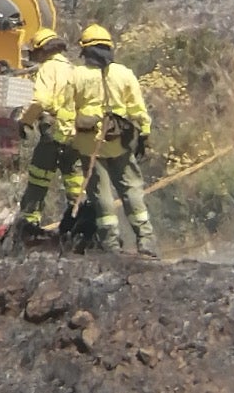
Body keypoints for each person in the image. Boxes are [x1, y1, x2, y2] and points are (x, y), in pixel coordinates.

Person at [61, 23, 157, 257]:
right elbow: (137, 109)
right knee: (132, 189)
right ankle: (146, 240)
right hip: (120, 142)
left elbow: (66, 111)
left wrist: (65, 138)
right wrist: (144, 134)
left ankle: (111, 244)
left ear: (86, 51)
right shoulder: (124, 74)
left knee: (101, 195)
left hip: (89, 144)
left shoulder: (76, 75)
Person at [15, 29, 71, 235]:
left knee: (39, 177)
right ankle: (78, 226)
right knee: (75, 183)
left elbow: (41, 101)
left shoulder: (48, 68)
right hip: (74, 134)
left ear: (41, 50)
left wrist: (24, 121)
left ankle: (28, 226)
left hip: (53, 131)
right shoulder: (73, 69)